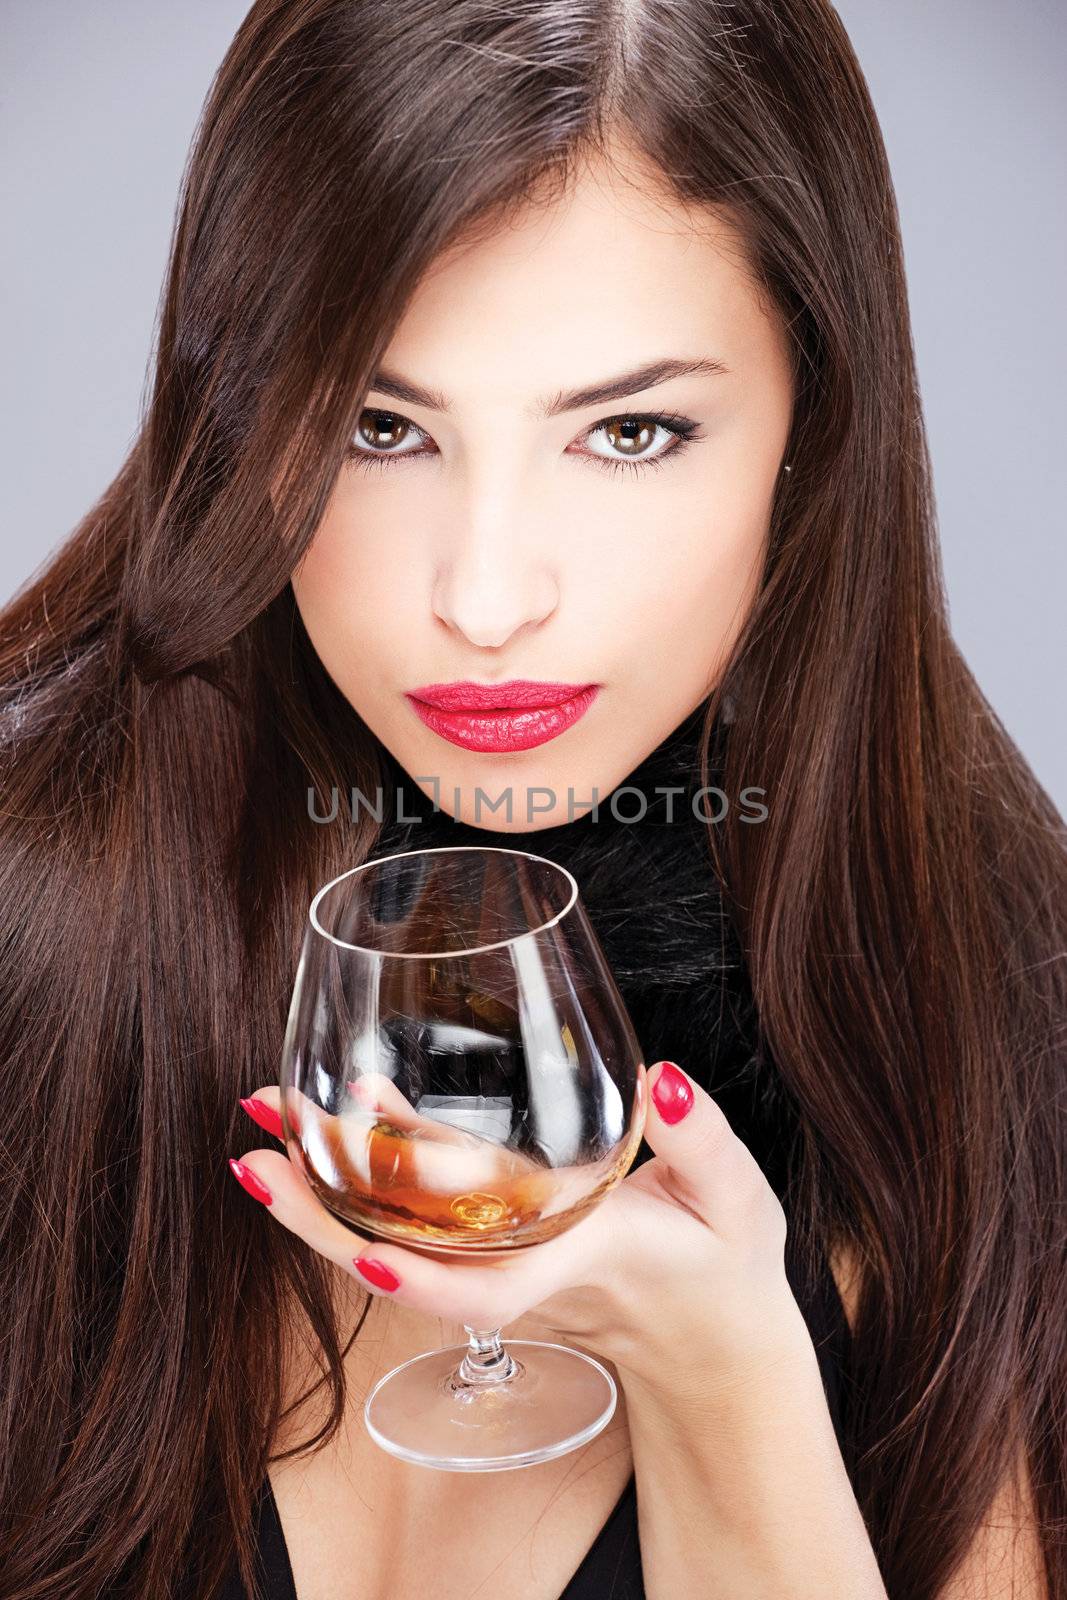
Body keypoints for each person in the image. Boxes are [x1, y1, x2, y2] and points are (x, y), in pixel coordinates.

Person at [0, 3, 1063, 1598]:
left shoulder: (997, 1026)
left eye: (629, 432)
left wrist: (723, 1378)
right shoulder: (39, 941)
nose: (486, 599)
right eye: (379, 426)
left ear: (813, 430)